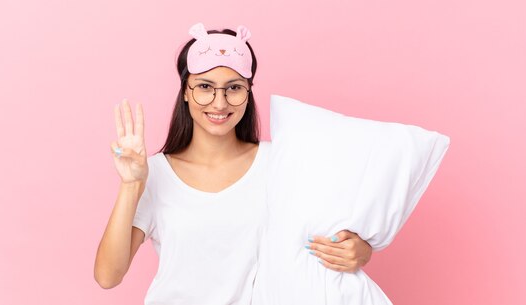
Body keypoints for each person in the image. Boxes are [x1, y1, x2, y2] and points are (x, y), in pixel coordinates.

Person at [94, 23, 373, 304]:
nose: (219, 103)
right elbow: (108, 276)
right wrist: (131, 185)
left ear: (248, 92)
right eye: (205, 87)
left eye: (234, 88)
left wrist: (359, 251)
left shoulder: (279, 162)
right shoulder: (154, 173)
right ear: (186, 91)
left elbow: (327, 233)